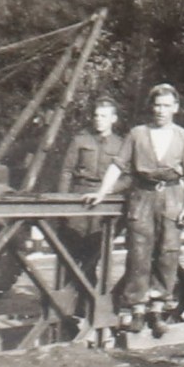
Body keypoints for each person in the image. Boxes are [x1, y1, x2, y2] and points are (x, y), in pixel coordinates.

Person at [84, 83, 184, 338]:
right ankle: (137, 309)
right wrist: (103, 192)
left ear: (176, 109)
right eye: (157, 105)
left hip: (171, 197)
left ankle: (157, 310)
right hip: (142, 197)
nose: (161, 111)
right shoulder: (137, 134)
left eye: (167, 106)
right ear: (151, 107)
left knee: (168, 253)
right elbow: (117, 165)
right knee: (139, 253)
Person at [57, 96, 130, 288]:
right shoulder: (80, 140)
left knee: (93, 257)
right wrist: (63, 203)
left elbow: (128, 177)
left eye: (104, 116)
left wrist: (110, 190)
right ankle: (66, 305)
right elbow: (66, 171)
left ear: (113, 119)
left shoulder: (121, 145)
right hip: (78, 199)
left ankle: (84, 304)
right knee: (70, 255)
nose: (99, 119)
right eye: (97, 115)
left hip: (104, 204)